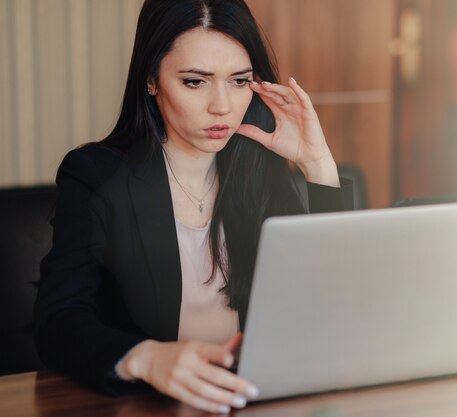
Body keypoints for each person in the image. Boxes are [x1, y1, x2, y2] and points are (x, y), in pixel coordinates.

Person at [34, 0, 351, 413]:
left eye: (239, 81)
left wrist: (316, 163)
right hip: (151, 407)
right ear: (152, 80)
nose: (222, 106)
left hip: (254, 403)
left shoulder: (260, 172)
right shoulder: (95, 174)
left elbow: (334, 309)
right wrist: (147, 358)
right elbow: (58, 322)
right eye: (195, 82)